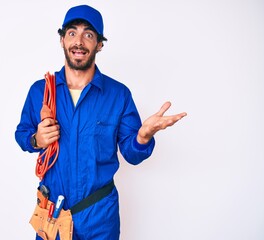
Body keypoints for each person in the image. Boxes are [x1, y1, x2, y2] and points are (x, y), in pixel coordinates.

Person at [15, 5, 187, 240]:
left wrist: (142, 137)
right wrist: (36, 139)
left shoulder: (118, 95)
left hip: (100, 217)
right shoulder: (40, 91)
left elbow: (132, 154)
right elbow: (22, 134)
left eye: (88, 35)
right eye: (72, 33)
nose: (79, 41)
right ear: (62, 40)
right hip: (52, 215)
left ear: (99, 44)